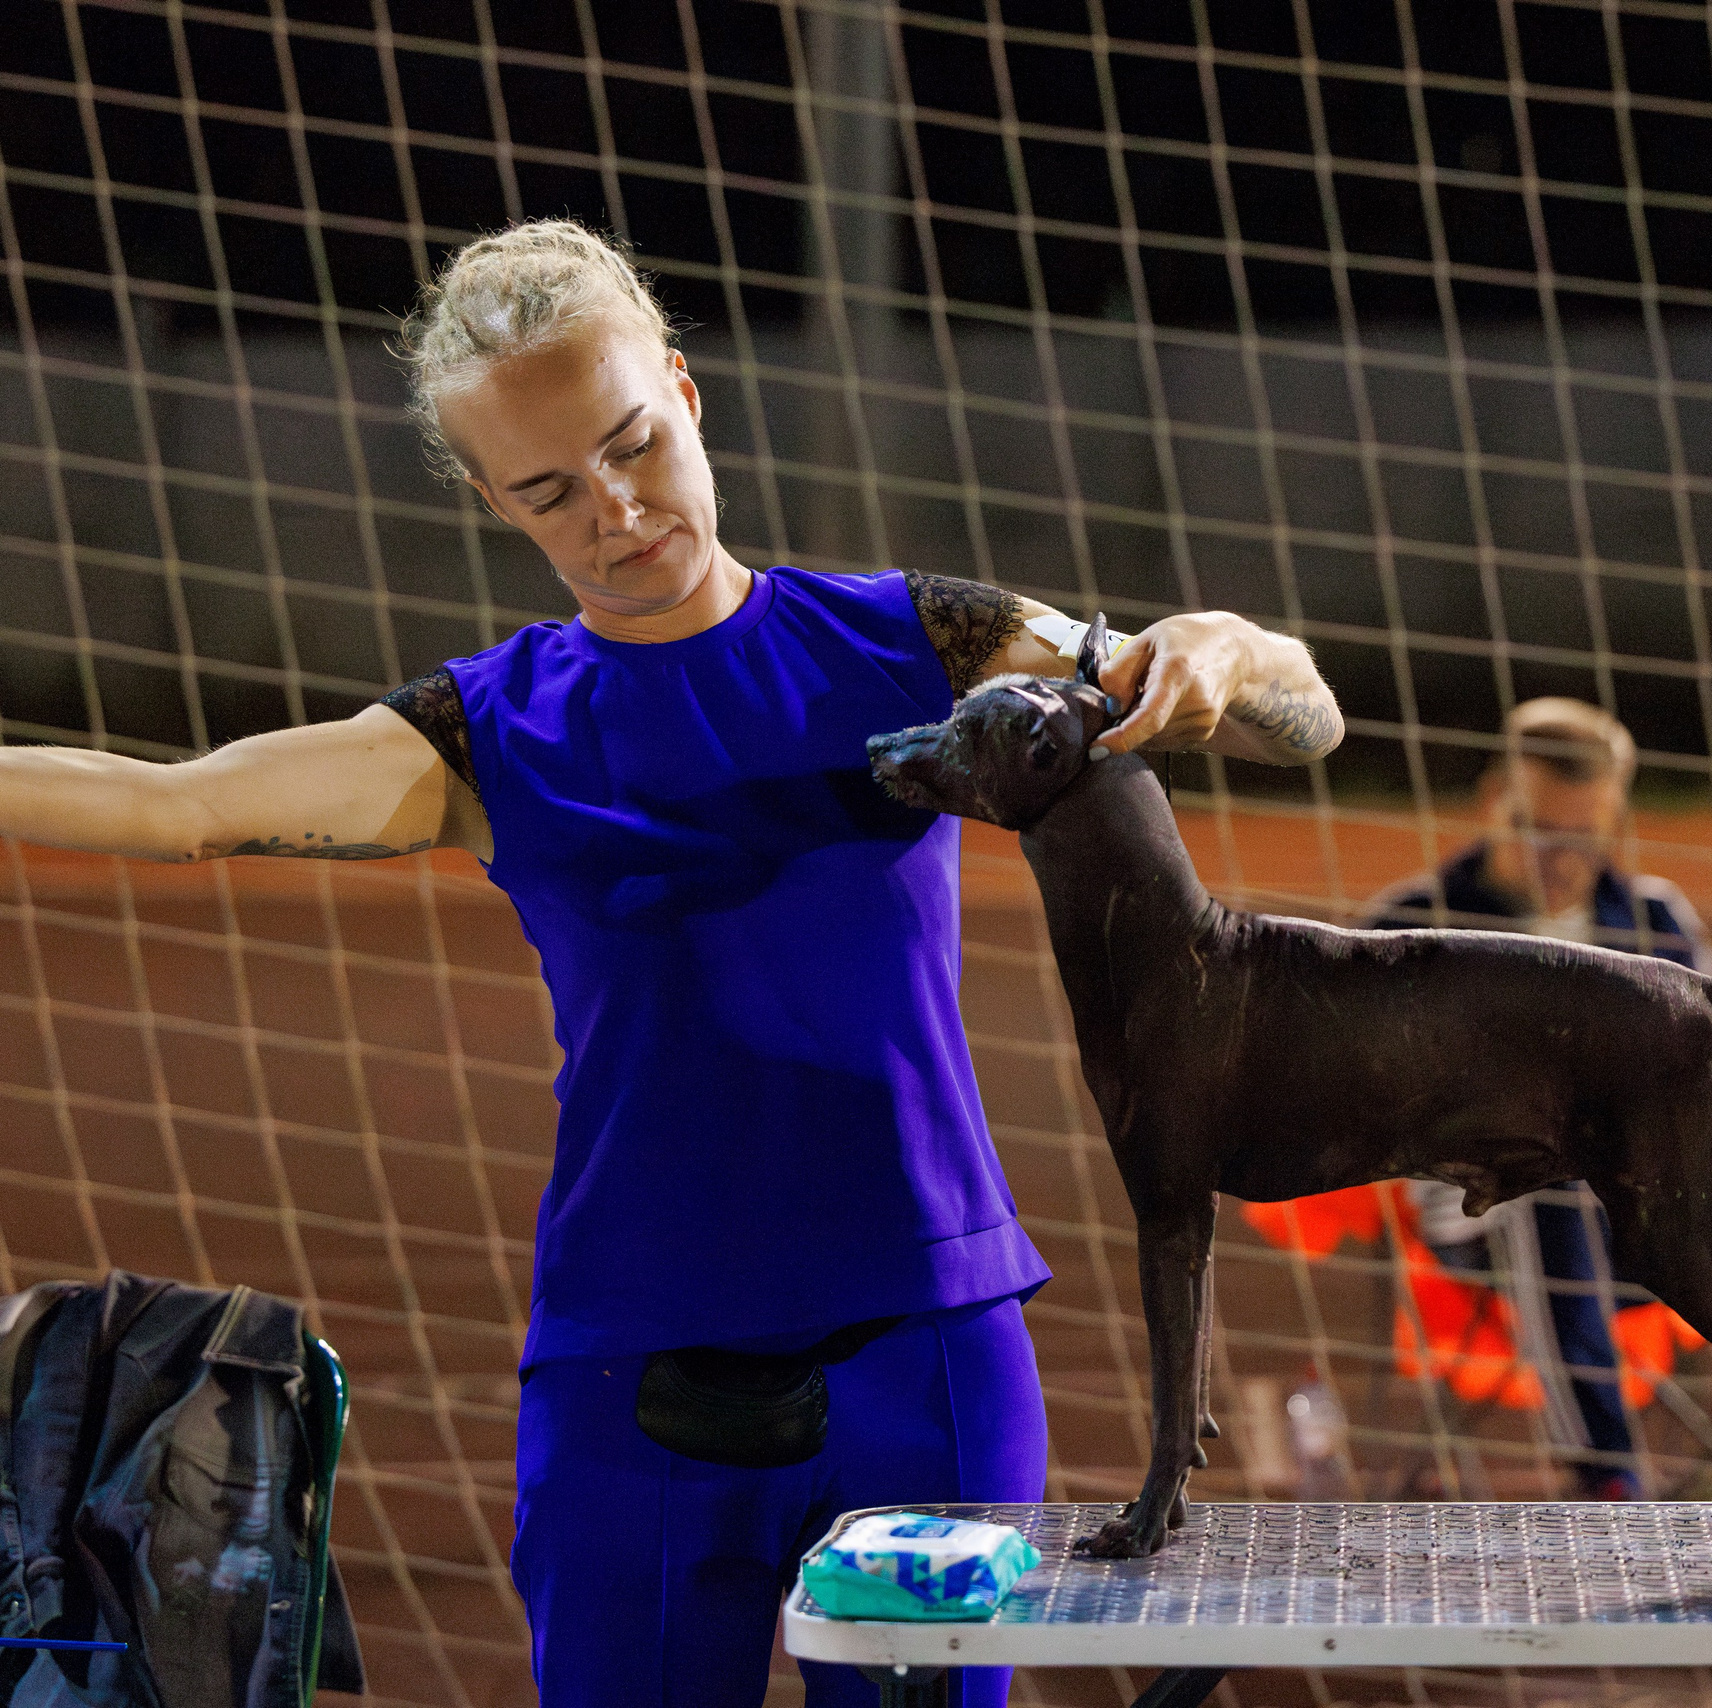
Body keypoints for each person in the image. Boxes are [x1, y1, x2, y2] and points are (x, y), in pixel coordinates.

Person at [0, 220, 1342, 1708]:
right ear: (491, 501)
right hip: (630, 1370)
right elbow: (176, 803)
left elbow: (1302, 714)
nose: (618, 510)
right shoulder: (485, 733)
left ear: (689, 395)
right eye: (549, 490)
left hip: (930, 1351)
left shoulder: (915, 641)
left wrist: (1222, 639)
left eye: (634, 443)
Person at [1366, 698, 1712, 1497]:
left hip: (1675, 1201)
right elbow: (1388, 1120)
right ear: (1494, 801)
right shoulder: (1410, 929)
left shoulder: (1656, 920)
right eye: (1538, 827)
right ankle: (1608, 1483)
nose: (1561, 855)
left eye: (1583, 834)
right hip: (1493, 1218)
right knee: (1545, 1179)